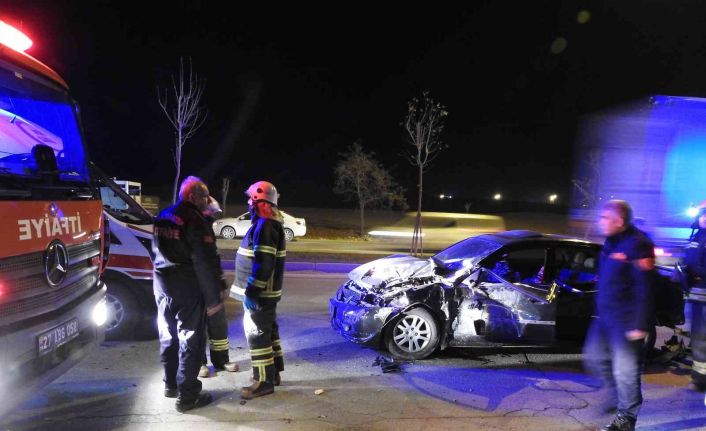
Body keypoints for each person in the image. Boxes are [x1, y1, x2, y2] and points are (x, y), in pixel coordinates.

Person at [152, 176, 224, 412]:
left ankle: (170, 385)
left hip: (162, 285)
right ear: (193, 196)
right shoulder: (195, 221)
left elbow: (155, 250)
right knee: (191, 340)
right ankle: (188, 396)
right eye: (205, 197)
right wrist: (213, 298)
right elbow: (203, 261)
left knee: (168, 335)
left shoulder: (163, 216)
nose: (207, 201)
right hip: (187, 288)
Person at [583, 200, 656, 431]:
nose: (600, 222)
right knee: (594, 358)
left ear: (619, 221)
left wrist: (640, 324)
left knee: (626, 371)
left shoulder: (639, 245)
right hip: (605, 318)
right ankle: (618, 397)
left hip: (627, 321)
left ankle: (626, 418)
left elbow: (646, 287)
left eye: (605, 218)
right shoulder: (610, 241)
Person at [232, 181, 287, 399]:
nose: (248, 203)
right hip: (265, 294)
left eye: (251, 199)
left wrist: (251, 292)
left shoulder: (265, 226)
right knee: (268, 334)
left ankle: (263, 382)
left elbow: (264, 264)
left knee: (258, 336)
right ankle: (272, 375)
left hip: (260, 295)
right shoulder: (267, 224)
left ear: (260, 202)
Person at [199, 196, 239, 377]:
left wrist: (221, 283)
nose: (213, 217)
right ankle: (199, 363)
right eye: (212, 213)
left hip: (212, 285)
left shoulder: (207, 228)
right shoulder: (193, 226)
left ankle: (221, 360)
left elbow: (213, 258)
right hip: (197, 286)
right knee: (197, 327)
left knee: (219, 326)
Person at [686, 205, 706, 391]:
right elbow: (690, 259)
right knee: (698, 337)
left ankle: (700, 379)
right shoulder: (698, 235)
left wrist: (697, 273)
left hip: (704, 293)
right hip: (697, 294)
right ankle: (699, 376)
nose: (704, 217)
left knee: (702, 337)